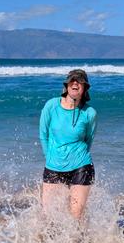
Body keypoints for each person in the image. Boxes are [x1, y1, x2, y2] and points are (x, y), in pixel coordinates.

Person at [39, 69, 97, 221]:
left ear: (85, 88)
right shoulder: (51, 106)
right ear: (67, 85)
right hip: (53, 166)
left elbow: (89, 139)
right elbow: (43, 135)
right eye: (72, 80)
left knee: (75, 215)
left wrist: (76, 156)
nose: (75, 83)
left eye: (80, 81)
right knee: (49, 215)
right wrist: (50, 158)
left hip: (81, 166)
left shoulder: (89, 113)